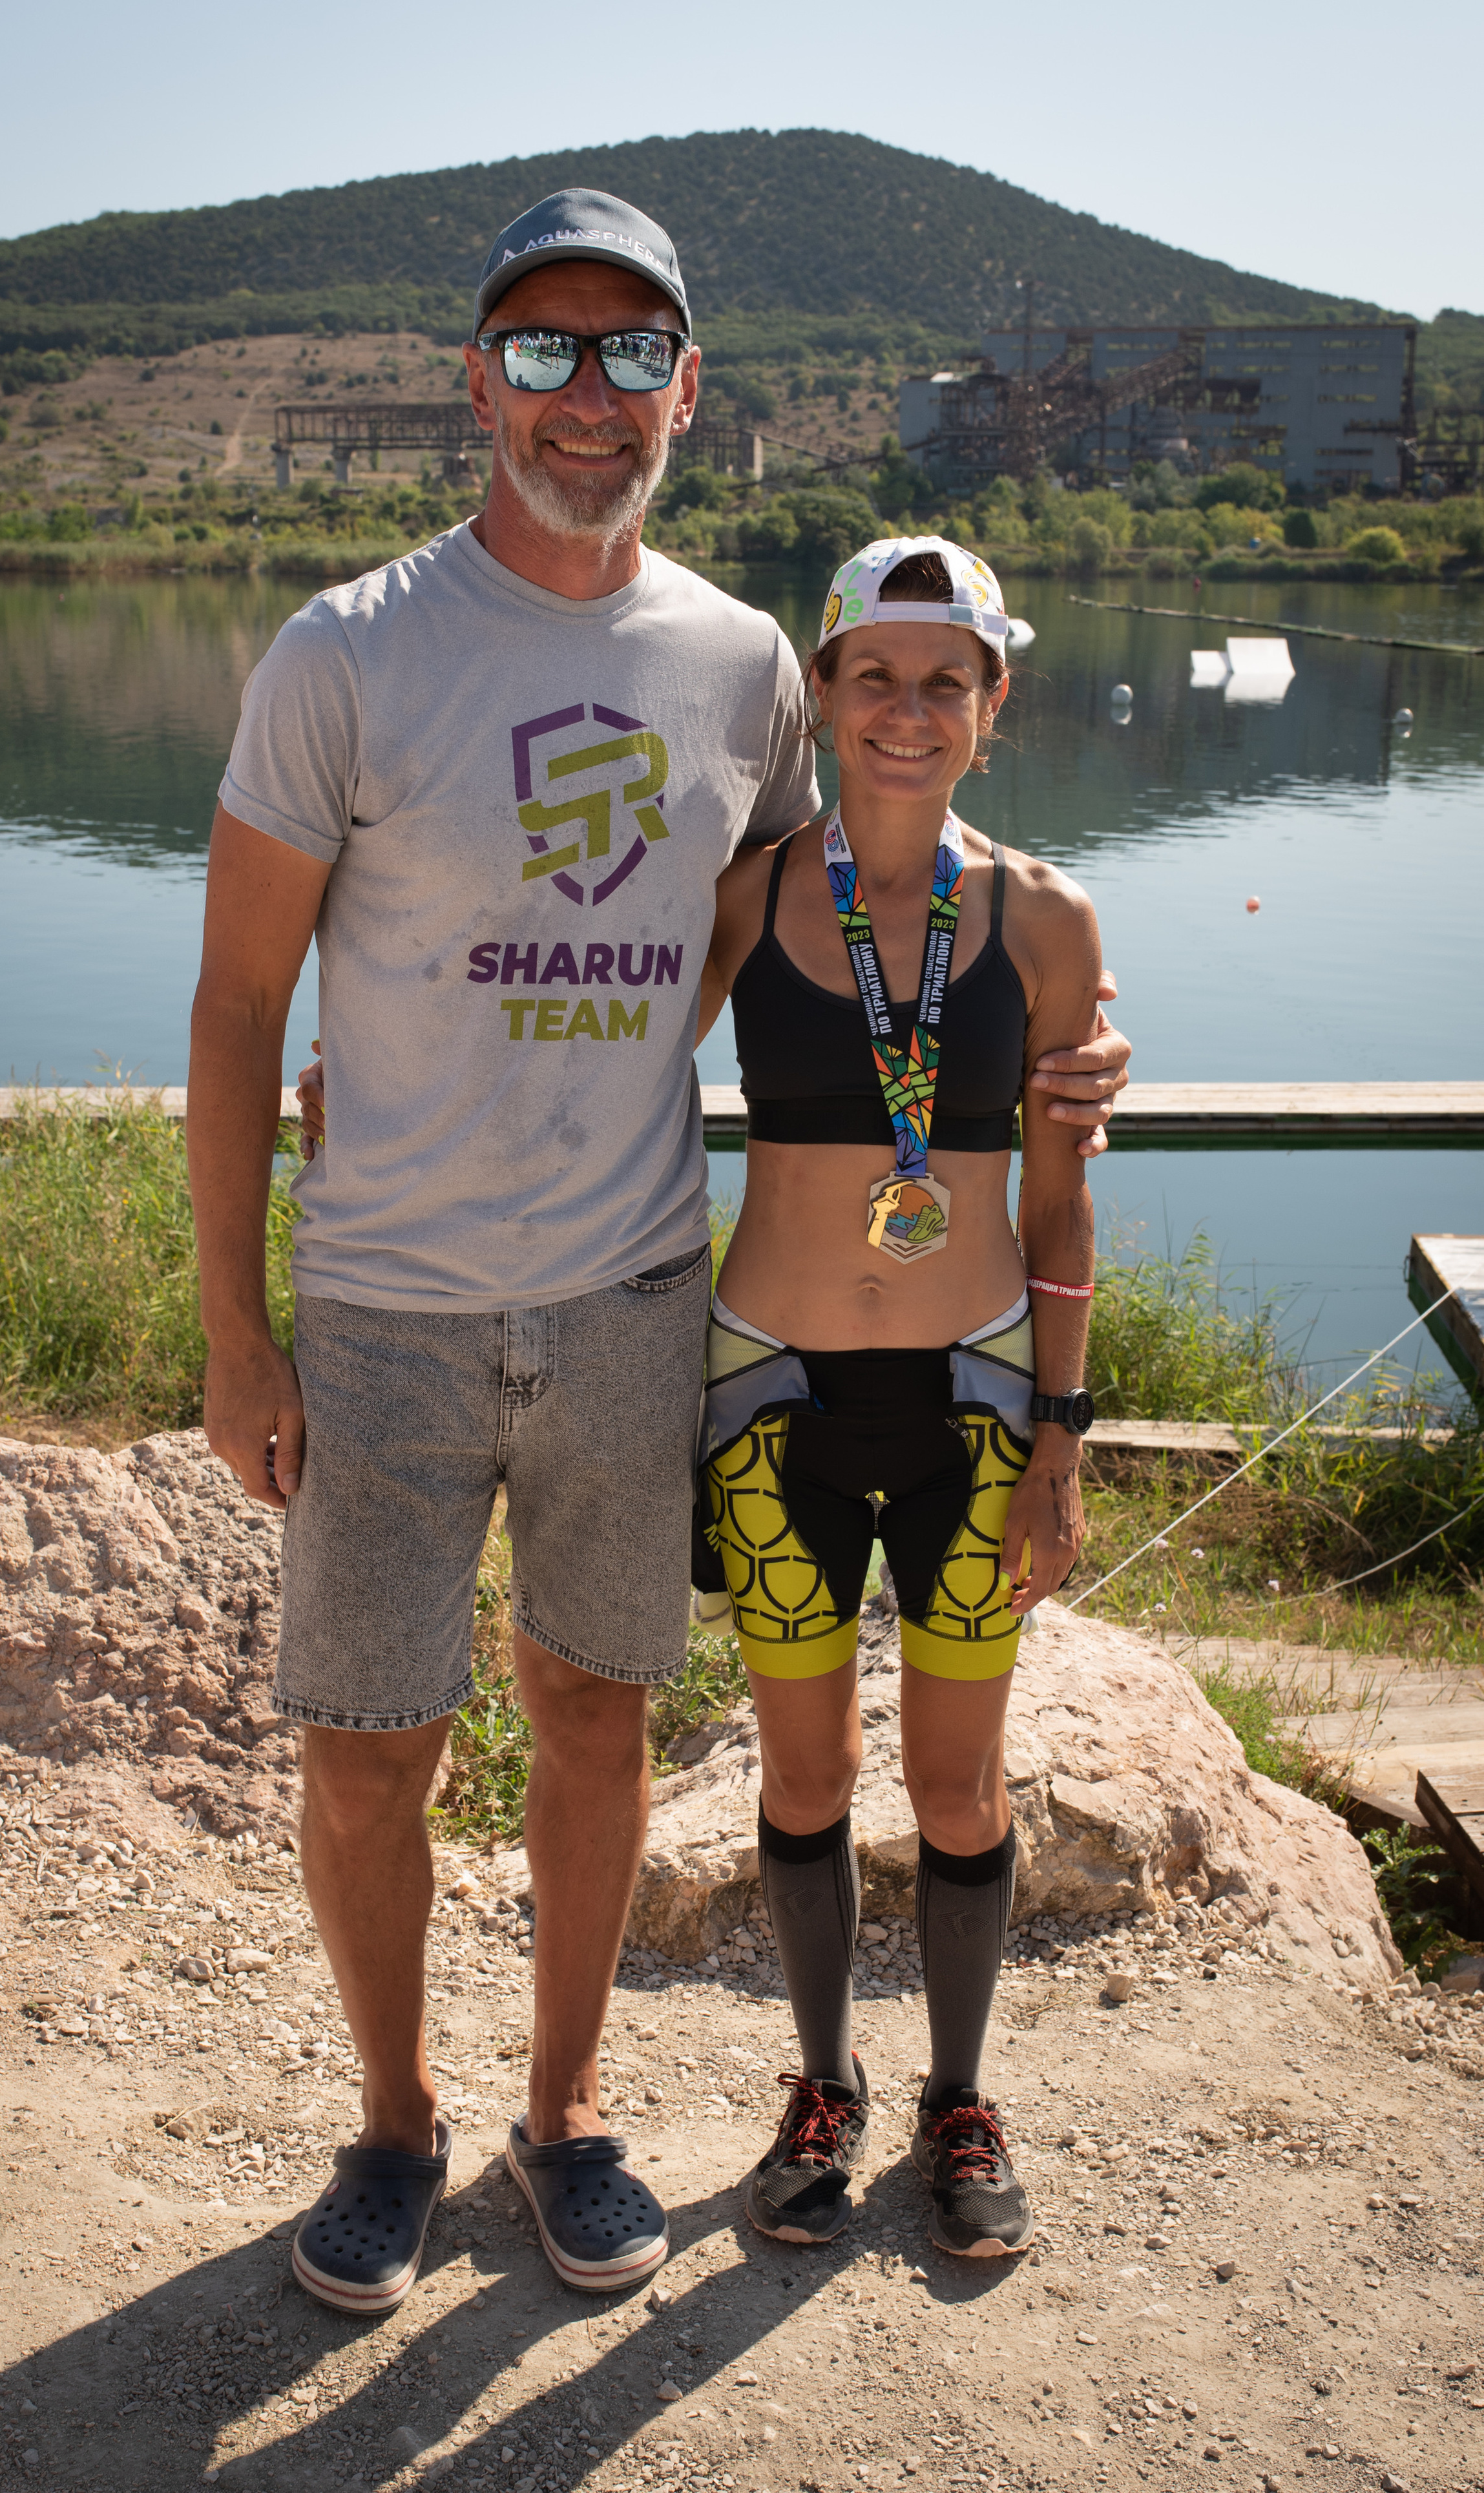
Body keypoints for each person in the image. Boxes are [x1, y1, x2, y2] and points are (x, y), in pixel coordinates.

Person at [190, 185, 1132, 2317]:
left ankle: (569, 2110)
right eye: (543, 349)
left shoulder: (736, 667)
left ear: (688, 389)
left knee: (595, 1721)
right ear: (479, 380)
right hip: (385, 1305)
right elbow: (240, 1009)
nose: (587, 392)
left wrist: (1059, 1053)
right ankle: (394, 2124)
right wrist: (238, 1328)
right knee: (365, 1745)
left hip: (632, 1297)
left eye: (630, 353)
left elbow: (809, 933)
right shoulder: (344, 648)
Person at [695, 535, 1098, 2260]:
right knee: (801, 1779)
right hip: (772, 1395)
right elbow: (593, 1060)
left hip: (978, 1404)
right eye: (879, 676)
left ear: (993, 709)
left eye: (950, 682)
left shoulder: (1050, 918)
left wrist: (1064, 1446)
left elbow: (1067, 1201)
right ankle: (822, 2083)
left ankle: (957, 2095)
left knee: (956, 1785)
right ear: (828, 694)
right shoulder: (749, 890)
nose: (910, 711)